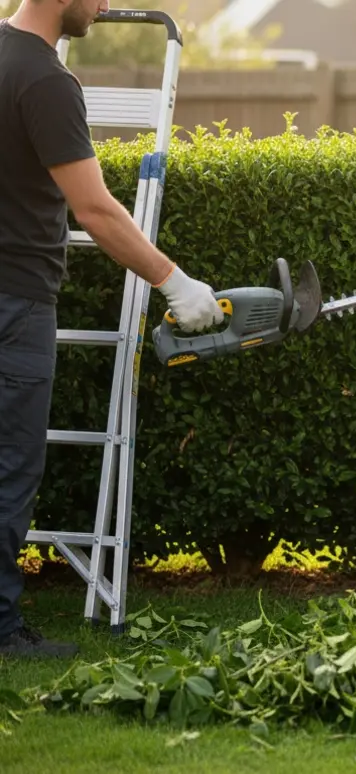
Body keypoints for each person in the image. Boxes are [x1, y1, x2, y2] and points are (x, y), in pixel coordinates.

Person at [0, 0, 223, 658]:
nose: (101, 3)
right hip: (16, 304)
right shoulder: (44, 80)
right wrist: (175, 284)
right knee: (10, 469)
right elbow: (95, 209)